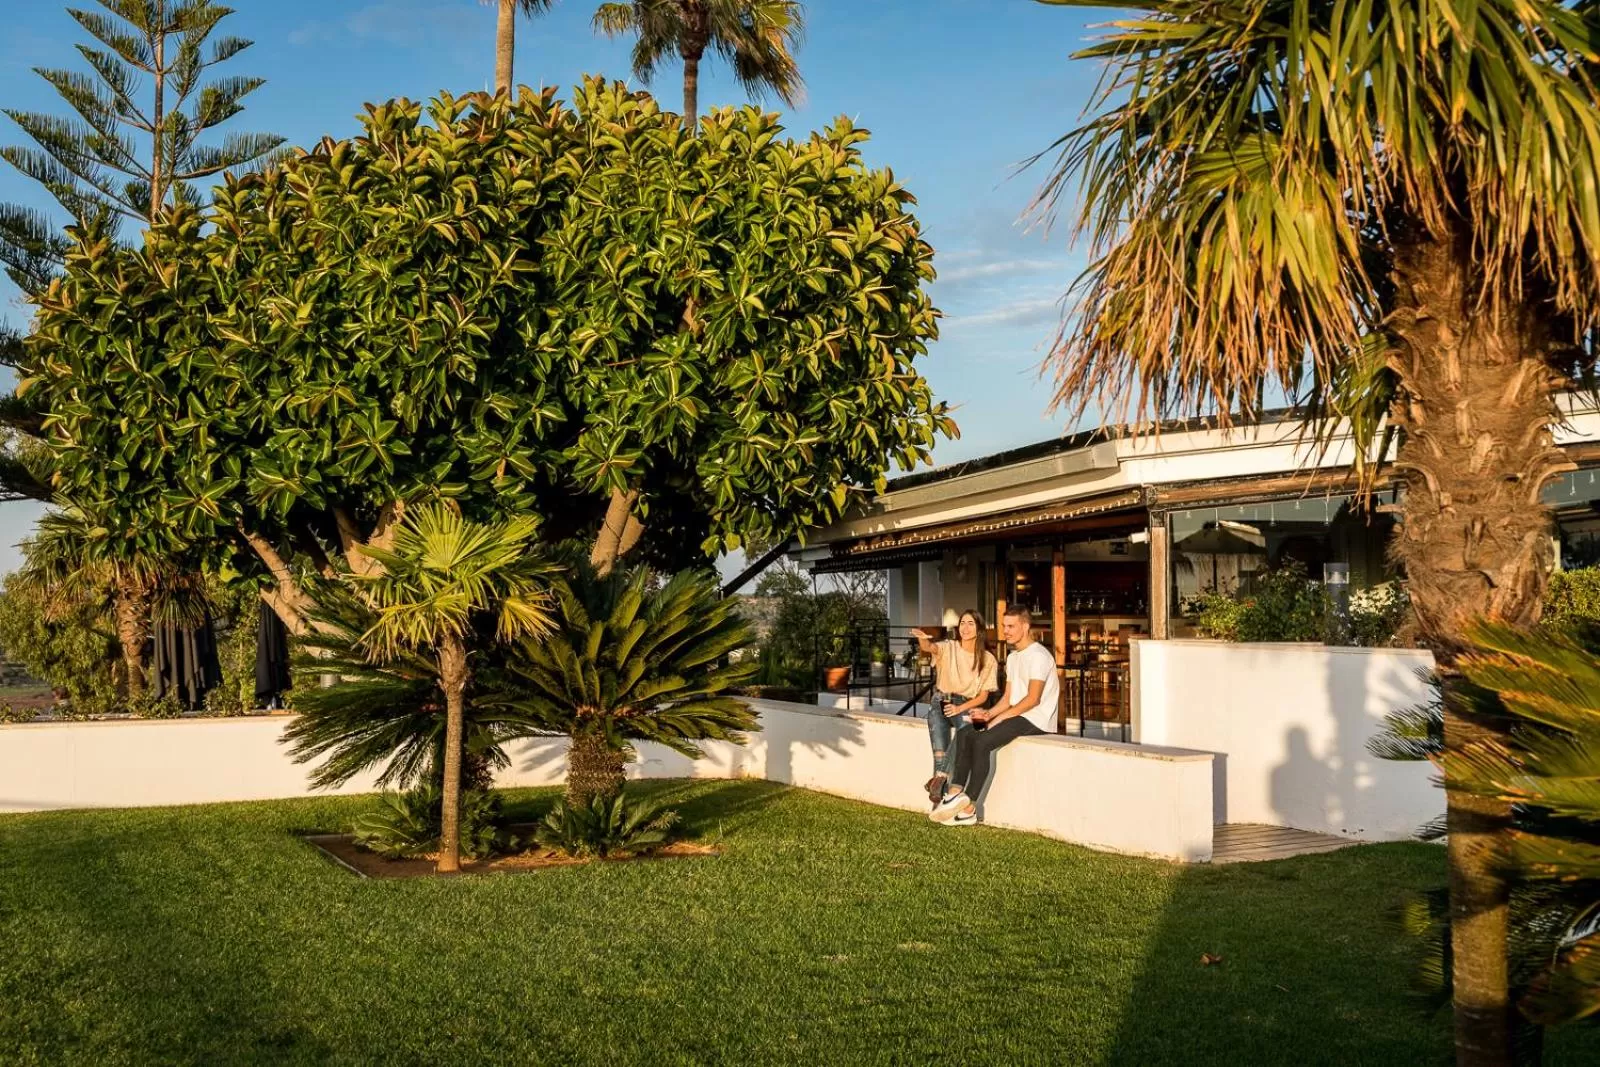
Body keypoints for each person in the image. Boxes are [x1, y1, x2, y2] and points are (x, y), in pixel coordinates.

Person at [930, 606, 1061, 826]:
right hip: (1018, 713)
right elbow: (1009, 697)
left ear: (1025, 626)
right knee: (965, 732)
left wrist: (999, 719)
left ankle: (969, 807)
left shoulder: (1038, 656)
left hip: (1037, 718)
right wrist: (988, 713)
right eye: (1004, 626)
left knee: (981, 742)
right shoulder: (1013, 657)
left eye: (1011, 626)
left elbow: (1033, 699)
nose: (1006, 631)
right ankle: (954, 793)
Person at [909, 611, 998, 804]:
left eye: (971, 624)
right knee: (939, 752)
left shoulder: (988, 659)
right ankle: (941, 790)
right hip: (941, 701)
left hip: (966, 703)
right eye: (962, 623)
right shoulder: (949, 647)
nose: (965, 628)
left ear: (979, 629)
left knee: (968, 729)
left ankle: (938, 783)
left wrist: (960, 709)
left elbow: (983, 695)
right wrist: (923, 640)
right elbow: (930, 647)